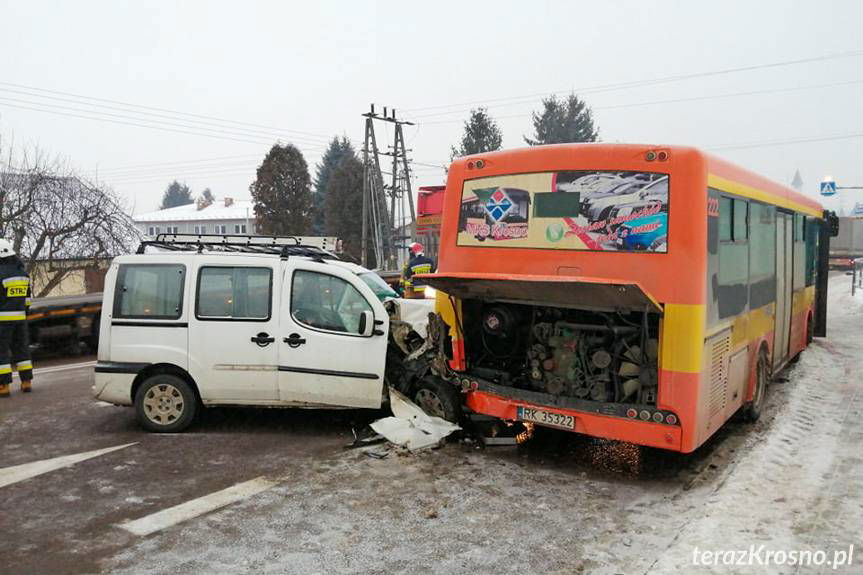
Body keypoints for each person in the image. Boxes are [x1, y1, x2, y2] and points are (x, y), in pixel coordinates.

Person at [0, 239, 33, 397]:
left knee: (2, 352)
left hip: (2, 321)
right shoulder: (23, 274)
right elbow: (27, 300)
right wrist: (23, 313)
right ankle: (26, 382)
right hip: (20, 319)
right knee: (22, 350)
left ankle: (3, 385)